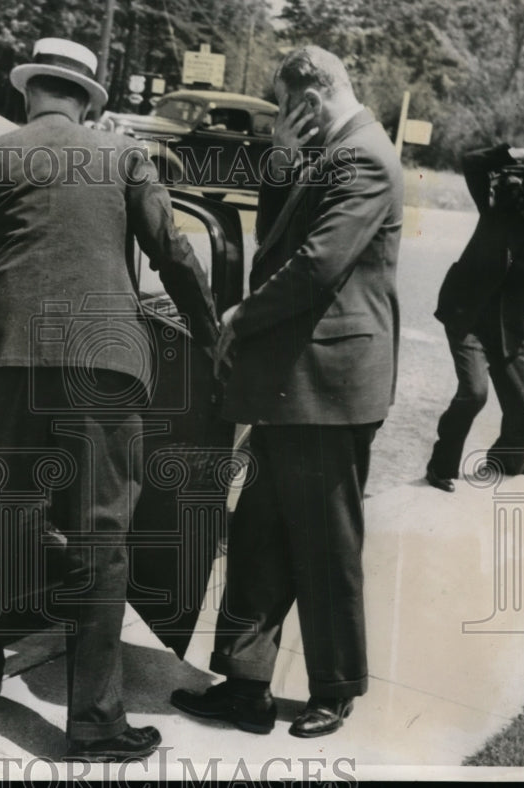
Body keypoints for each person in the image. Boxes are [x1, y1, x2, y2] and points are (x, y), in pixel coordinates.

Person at [0, 38, 218, 762]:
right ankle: (95, 726)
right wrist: (212, 336)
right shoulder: (123, 156)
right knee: (99, 540)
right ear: (88, 100)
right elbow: (174, 253)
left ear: (29, 94)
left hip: (7, 364)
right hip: (100, 367)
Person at [170, 45, 403, 739]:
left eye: (283, 106)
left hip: (331, 389)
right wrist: (279, 158)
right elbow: (277, 240)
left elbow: (316, 264)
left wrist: (240, 317)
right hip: (295, 385)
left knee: (325, 544)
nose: (281, 118)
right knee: (259, 537)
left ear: (313, 97)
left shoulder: (363, 157)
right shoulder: (332, 153)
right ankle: (246, 687)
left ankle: (335, 687)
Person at [424, 145, 524, 492]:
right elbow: (470, 162)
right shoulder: (501, 208)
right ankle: (441, 465)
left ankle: (506, 459)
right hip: (469, 318)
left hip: (511, 331)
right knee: (474, 393)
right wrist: (517, 153)